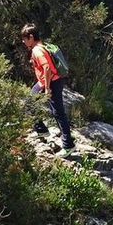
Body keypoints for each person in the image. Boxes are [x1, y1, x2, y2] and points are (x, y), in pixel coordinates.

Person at [21, 23, 75, 156]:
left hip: (52, 83)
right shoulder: (42, 46)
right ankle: (41, 129)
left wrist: (47, 88)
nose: (23, 41)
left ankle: (68, 145)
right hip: (48, 81)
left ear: (31, 37)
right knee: (30, 101)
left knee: (58, 113)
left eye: (24, 39)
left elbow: (47, 68)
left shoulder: (37, 50)